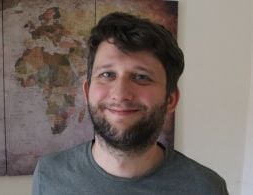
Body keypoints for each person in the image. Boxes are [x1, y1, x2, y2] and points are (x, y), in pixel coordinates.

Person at [32, 12, 229, 195]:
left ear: (171, 99)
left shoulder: (206, 187)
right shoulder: (49, 175)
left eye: (141, 77)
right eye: (107, 74)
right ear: (87, 91)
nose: (120, 94)